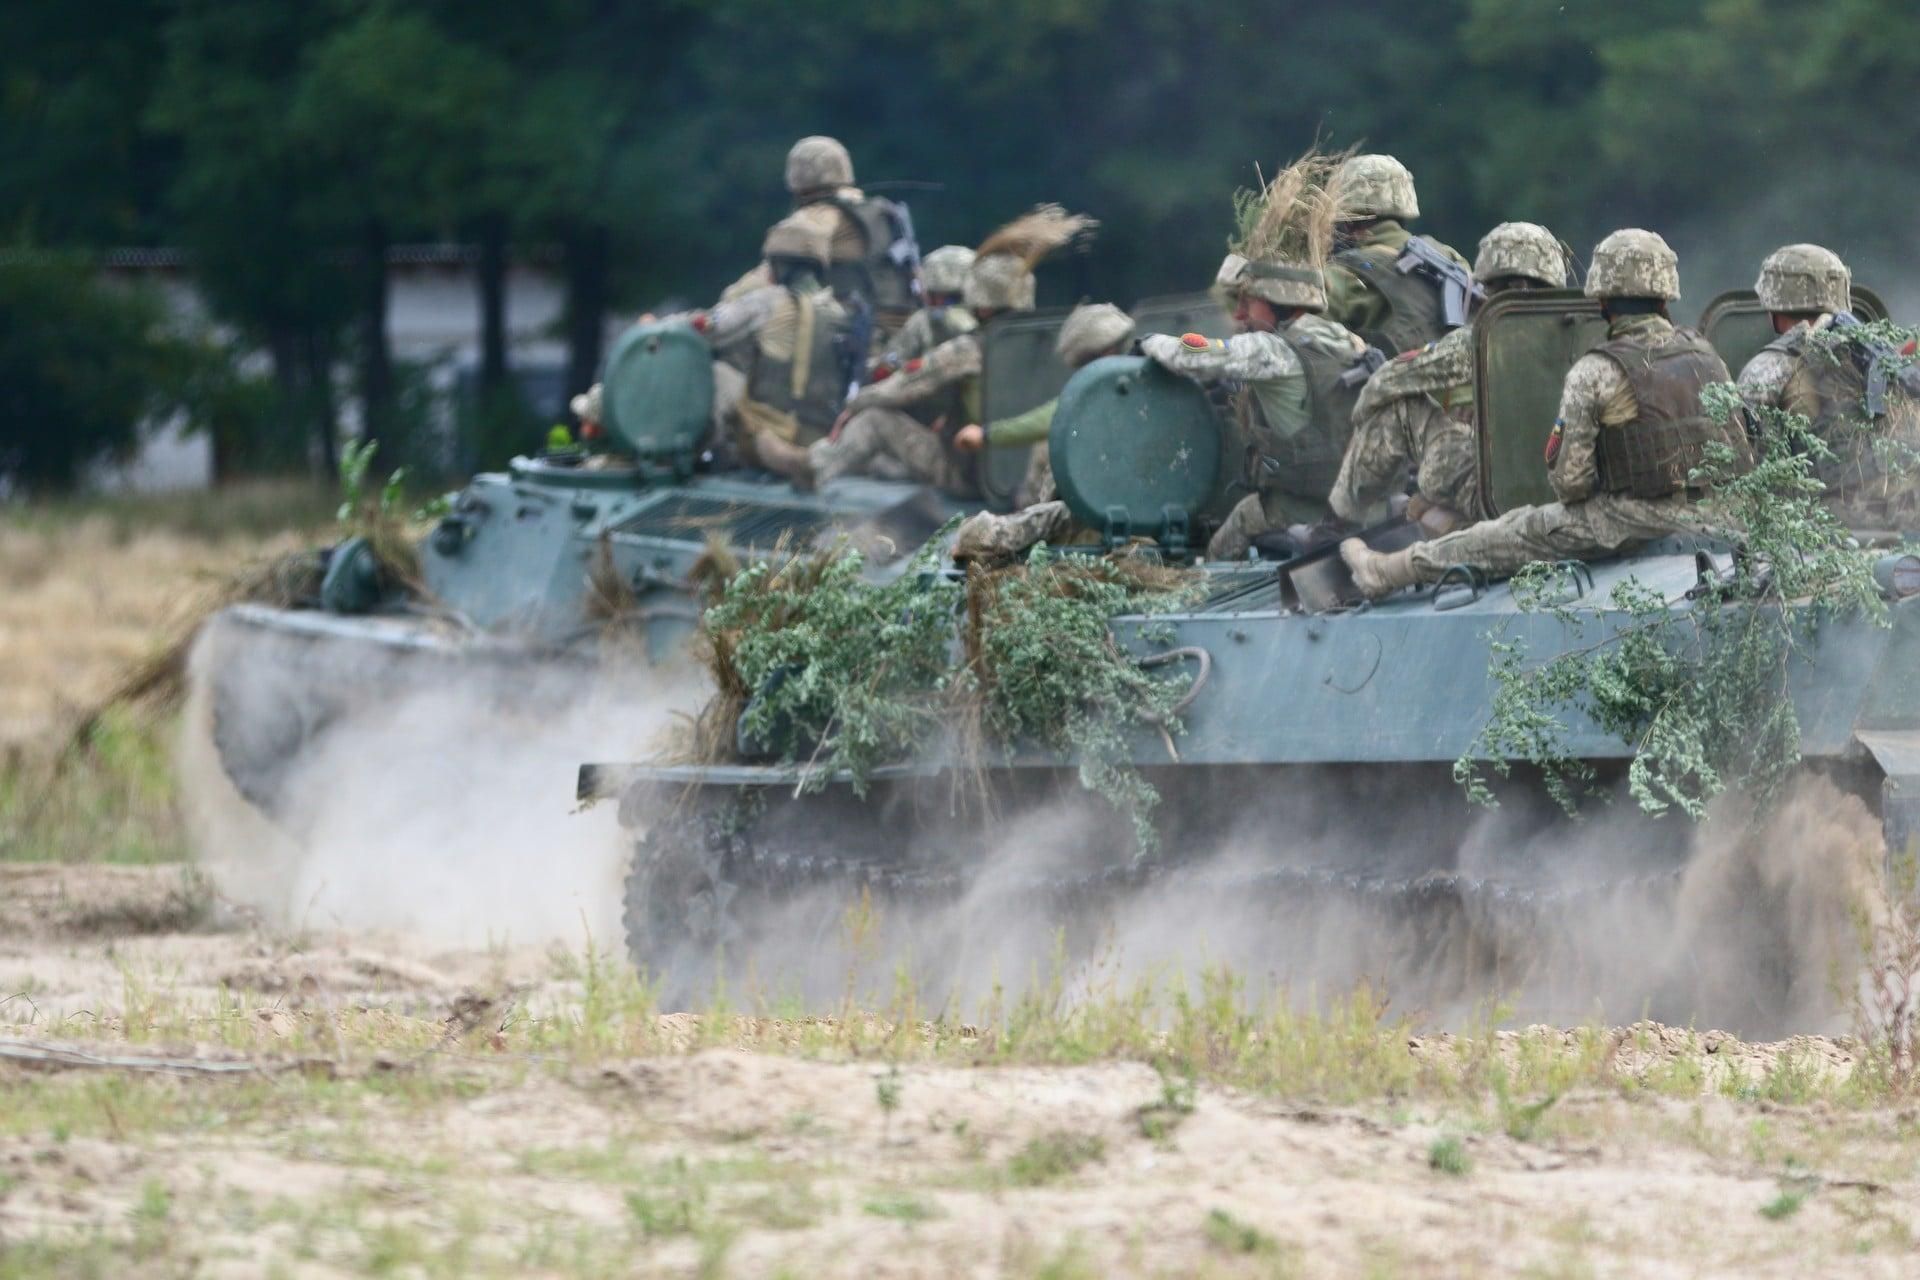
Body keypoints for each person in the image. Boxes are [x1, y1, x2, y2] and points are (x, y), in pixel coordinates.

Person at [1341, 229, 1750, 597]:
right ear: (1666, 296)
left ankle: (1384, 571)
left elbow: (1570, 484)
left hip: (1627, 520)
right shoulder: (1705, 354)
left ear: (1602, 299)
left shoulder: (1597, 369)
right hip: (1713, 514)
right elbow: (1739, 454)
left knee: (1509, 534)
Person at [750, 206, 1094, 494]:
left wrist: (855, 403)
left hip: (972, 478)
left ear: (981, 302)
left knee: (874, 421)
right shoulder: (1053, 346)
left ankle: (811, 466)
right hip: (1031, 483)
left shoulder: (968, 350)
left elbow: (896, 389)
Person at [1137, 150, 1378, 560]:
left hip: (1297, 508)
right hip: (1361, 511)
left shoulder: (1273, 351)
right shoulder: (1349, 342)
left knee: (1217, 555)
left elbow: (1190, 355)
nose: (1241, 313)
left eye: (1251, 302)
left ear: (1280, 302)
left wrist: (1148, 342)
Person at [1328, 221, 1571, 535]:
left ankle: (1340, 518)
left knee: (1401, 408)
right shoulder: (1585, 333)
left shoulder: (1474, 343)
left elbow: (1383, 383)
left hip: (1494, 495)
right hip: (1567, 493)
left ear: (1489, 284)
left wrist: (1361, 420)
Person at [1737, 243, 1919, 526]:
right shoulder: (1883, 357)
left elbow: (1752, 469)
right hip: (1904, 521)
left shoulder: (1768, 367)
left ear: (1774, 305)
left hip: (1822, 533)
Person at [947, 303, 1137, 561]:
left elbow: (1054, 416)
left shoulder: (1109, 389)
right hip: (1134, 510)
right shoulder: (1142, 377)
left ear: (1105, 352)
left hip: (1104, 513)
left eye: (1085, 363)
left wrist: (988, 434)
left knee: (976, 536)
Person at [719, 137, 919, 338]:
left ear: (797, 175)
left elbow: (781, 258)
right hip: (900, 333)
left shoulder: (821, 215)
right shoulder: (882, 213)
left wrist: (726, 305)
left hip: (851, 338)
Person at [1323, 154, 1472, 356]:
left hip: (1389, 386)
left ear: (1348, 221)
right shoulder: (1452, 258)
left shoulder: (1344, 275)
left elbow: (1311, 348)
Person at [885, 245, 978, 367]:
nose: (940, 305)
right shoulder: (922, 322)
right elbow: (890, 361)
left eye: (952, 299)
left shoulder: (991, 323)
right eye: (933, 297)